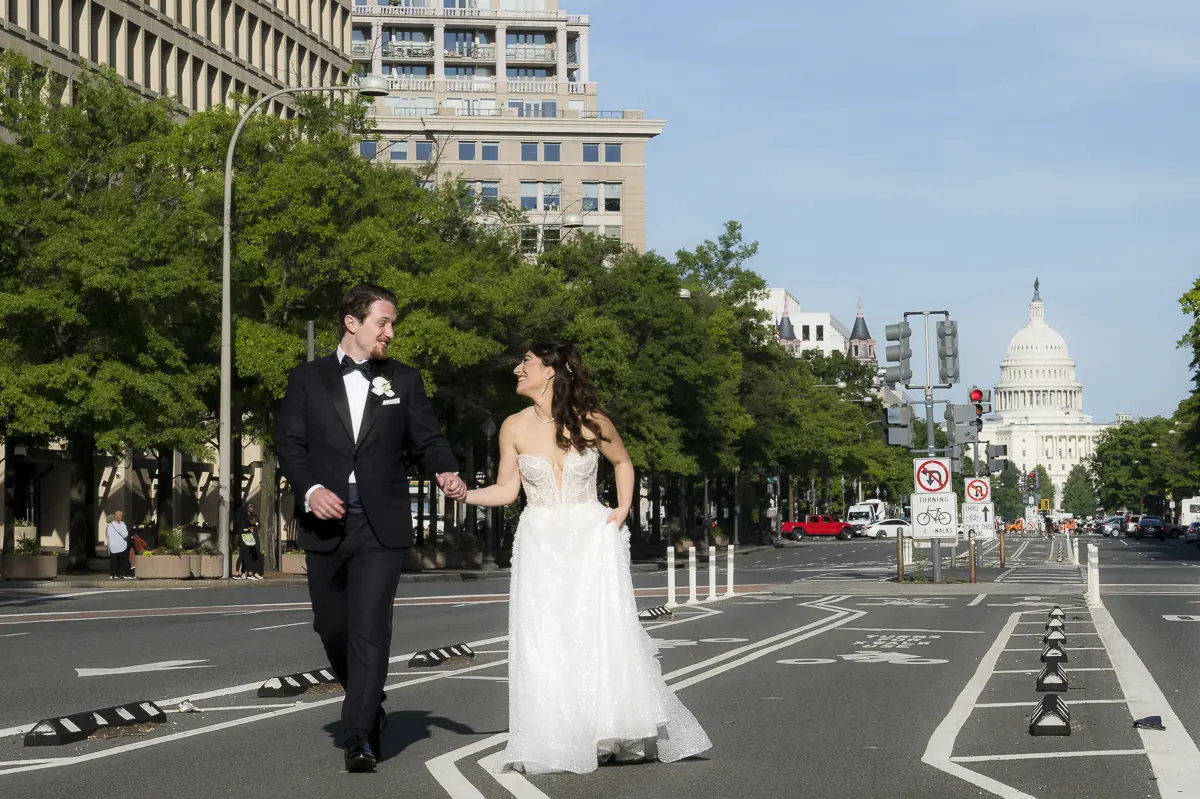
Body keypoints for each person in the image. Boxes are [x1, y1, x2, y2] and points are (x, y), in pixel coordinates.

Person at [461, 342, 711, 775]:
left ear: (551, 372)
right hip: (539, 539)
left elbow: (623, 462)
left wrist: (621, 511)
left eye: (527, 362)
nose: (518, 370)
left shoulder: (592, 422)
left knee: (599, 632)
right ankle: (554, 734)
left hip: (592, 537)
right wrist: (466, 494)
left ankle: (608, 728)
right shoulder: (513, 427)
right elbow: (507, 491)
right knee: (545, 636)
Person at [275, 284, 466, 774]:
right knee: (331, 626)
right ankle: (368, 699)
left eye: (393, 323)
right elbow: (290, 445)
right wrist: (311, 488)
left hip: (381, 523)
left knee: (370, 627)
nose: (391, 332)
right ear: (352, 323)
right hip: (326, 520)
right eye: (383, 322)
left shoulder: (404, 379)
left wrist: (444, 469)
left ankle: (358, 733)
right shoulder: (307, 379)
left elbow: (428, 438)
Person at [233, 502, 263, 580]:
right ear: (246, 507)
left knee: (254, 555)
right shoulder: (243, 517)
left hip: (254, 538)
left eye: (253, 507)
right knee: (244, 555)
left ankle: (253, 572)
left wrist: (254, 526)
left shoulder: (254, 516)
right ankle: (243, 572)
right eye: (250, 506)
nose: (252, 508)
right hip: (246, 538)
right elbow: (242, 528)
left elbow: (258, 524)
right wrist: (249, 528)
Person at [106, 511, 132, 580]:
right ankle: (125, 574)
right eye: (120, 516)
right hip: (121, 545)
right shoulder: (122, 524)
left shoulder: (110, 525)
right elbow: (125, 534)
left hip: (113, 546)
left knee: (114, 561)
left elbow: (108, 535)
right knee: (123, 561)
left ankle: (113, 574)